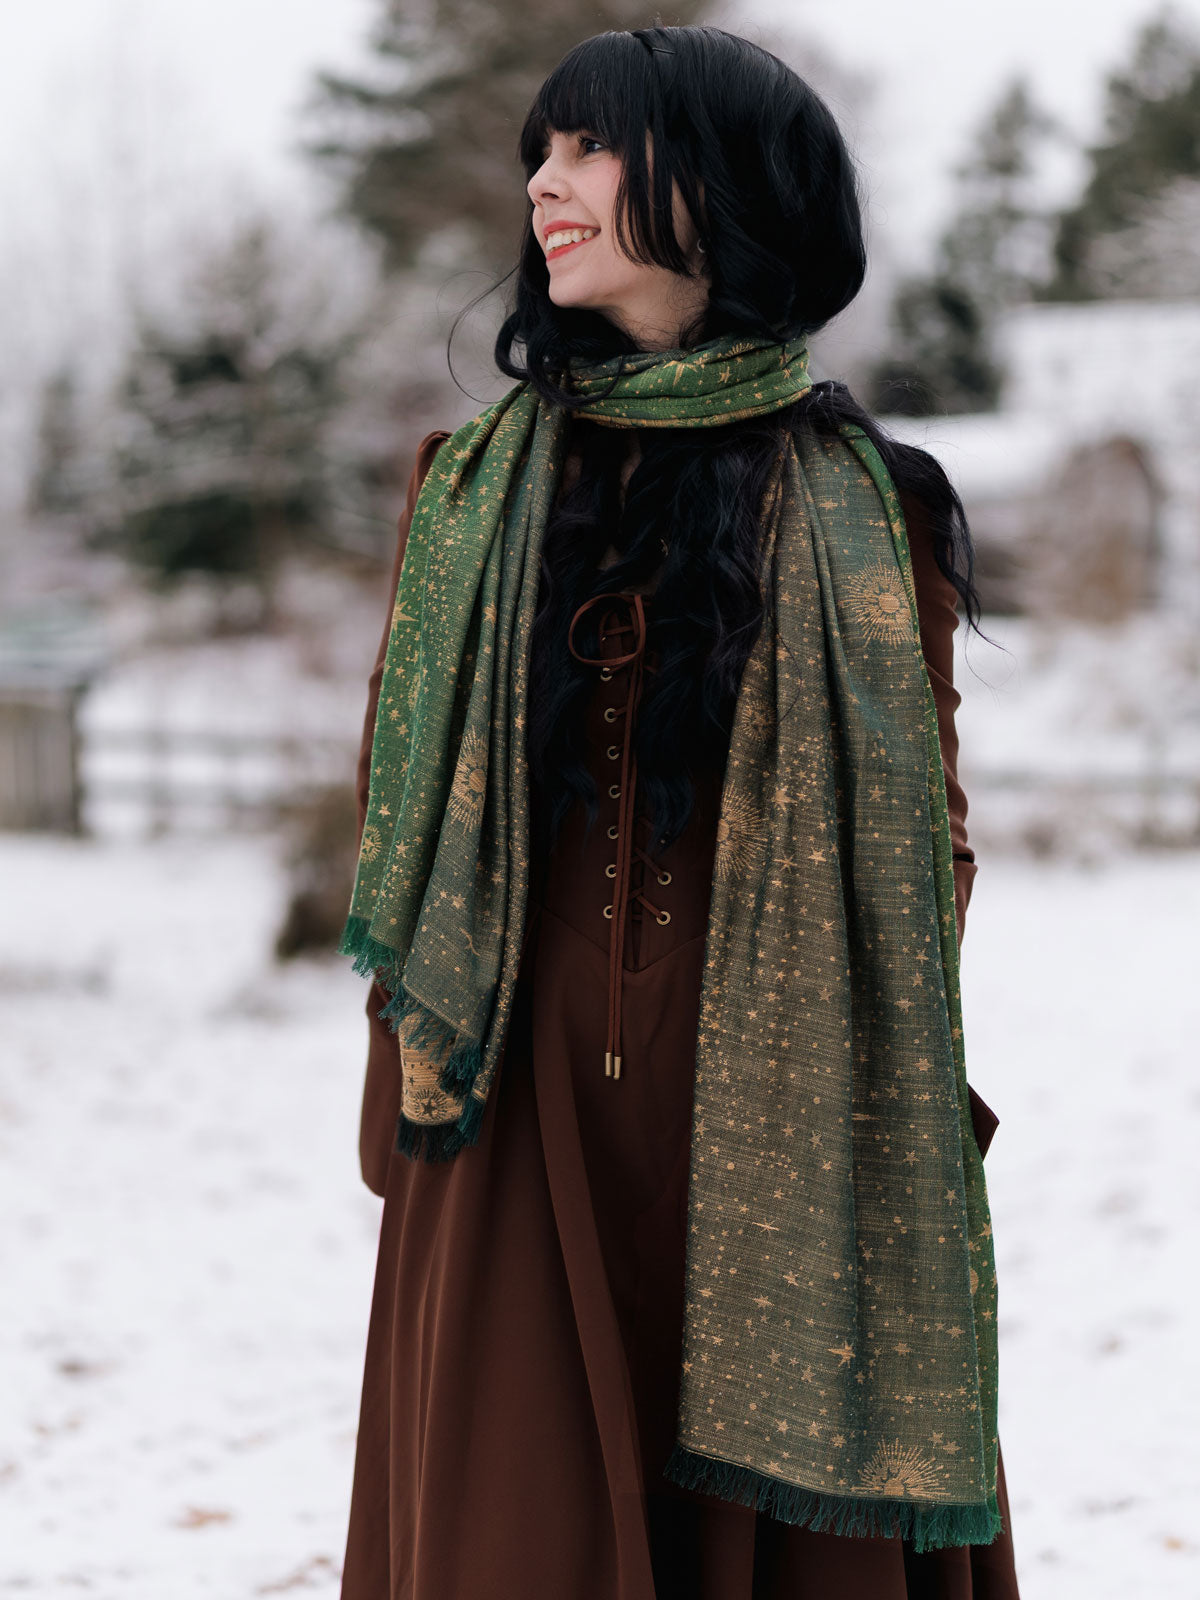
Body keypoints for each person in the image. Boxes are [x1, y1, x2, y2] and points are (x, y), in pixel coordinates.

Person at [337, 24, 1019, 1600]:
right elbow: (414, 811)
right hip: (515, 1112)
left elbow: (936, 844)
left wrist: (846, 1072)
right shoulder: (471, 497)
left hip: (784, 1119)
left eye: (587, 148)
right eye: (539, 150)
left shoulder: (867, 503)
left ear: (716, 186)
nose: (542, 182)